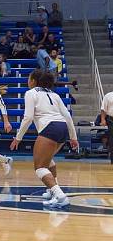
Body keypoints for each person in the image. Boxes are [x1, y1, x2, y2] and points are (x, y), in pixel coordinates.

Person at [10, 69, 78, 206]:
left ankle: (59, 195)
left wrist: (18, 137)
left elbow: (28, 117)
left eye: (29, 78)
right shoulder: (54, 95)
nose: (27, 81)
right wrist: (73, 137)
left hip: (50, 128)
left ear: (34, 81)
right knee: (48, 161)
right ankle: (52, 190)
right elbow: (68, 116)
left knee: (40, 167)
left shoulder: (30, 93)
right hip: (63, 128)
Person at [99, 90, 113, 163]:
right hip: (111, 120)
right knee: (112, 140)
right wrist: (103, 119)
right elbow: (103, 109)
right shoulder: (108, 95)